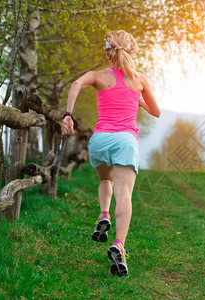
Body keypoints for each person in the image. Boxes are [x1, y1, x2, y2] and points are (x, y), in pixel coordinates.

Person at [61, 30, 161, 276]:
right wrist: (140, 103)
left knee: (106, 179)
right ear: (130, 52)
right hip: (126, 141)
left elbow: (76, 84)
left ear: (108, 52)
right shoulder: (140, 80)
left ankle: (103, 213)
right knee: (124, 193)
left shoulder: (98, 76)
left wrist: (68, 115)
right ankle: (119, 244)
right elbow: (156, 112)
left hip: (100, 141)